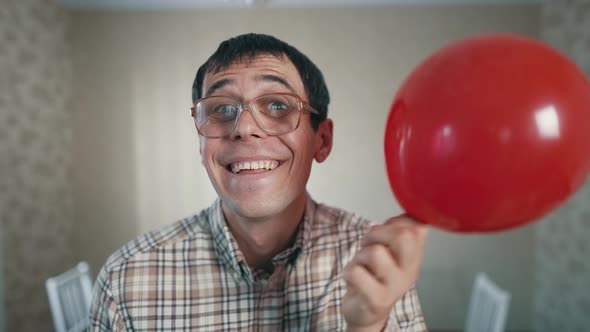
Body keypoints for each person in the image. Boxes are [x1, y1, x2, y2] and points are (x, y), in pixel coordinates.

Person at [89, 33, 428, 332]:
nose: (244, 128)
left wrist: (368, 327)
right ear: (202, 146)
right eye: (221, 109)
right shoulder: (126, 280)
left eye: (278, 105)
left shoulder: (378, 264)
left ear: (321, 141)